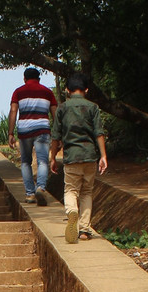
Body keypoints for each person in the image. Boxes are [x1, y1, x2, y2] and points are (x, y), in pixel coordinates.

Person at [49, 73, 108, 244]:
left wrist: (53, 157)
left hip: (71, 156)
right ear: (86, 90)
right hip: (90, 156)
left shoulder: (62, 108)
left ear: (67, 90)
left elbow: (55, 136)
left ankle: (72, 211)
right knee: (87, 191)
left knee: (70, 190)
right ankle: (84, 230)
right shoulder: (93, 107)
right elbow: (99, 133)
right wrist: (103, 156)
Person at [8, 67, 57, 205]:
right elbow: (55, 114)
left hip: (24, 131)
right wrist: (58, 134)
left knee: (25, 162)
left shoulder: (18, 92)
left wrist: (10, 133)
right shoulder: (48, 92)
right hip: (42, 129)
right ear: (39, 79)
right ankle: (40, 187)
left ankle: (30, 194)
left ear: (24, 79)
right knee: (42, 161)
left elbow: (13, 111)